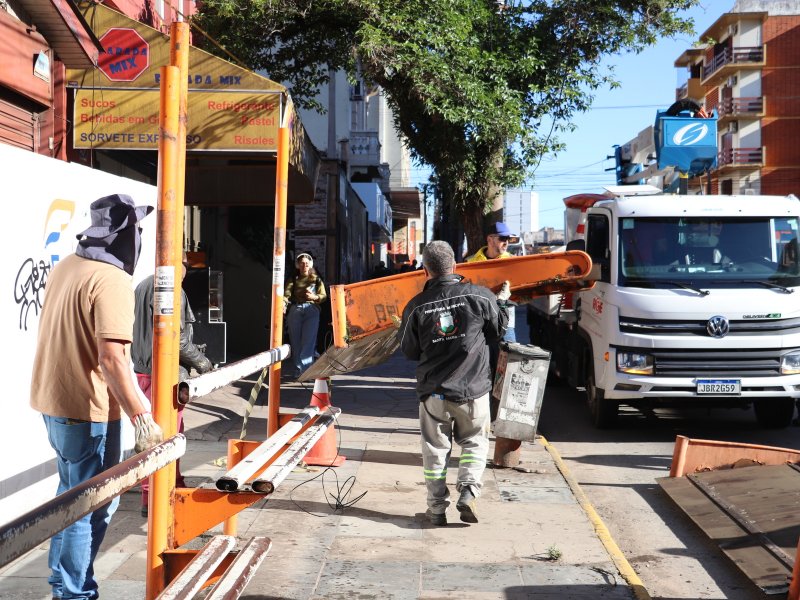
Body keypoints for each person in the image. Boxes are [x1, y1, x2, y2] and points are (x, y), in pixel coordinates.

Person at [30, 193, 163, 600]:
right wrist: (142, 416)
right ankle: (74, 592)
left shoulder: (68, 266)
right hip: (87, 411)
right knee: (89, 508)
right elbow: (113, 358)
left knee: (69, 500)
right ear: (126, 237)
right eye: (136, 230)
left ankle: (62, 585)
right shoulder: (112, 281)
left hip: (52, 404)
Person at [396, 240, 509, 526]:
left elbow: (408, 351)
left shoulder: (415, 307)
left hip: (433, 392)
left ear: (425, 271)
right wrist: (504, 301)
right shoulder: (480, 296)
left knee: (434, 451)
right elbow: (498, 330)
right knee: (475, 442)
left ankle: (436, 510)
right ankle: (469, 491)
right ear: (455, 266)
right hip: (473, 391)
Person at [131, 251, 213, 516]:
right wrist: (202, 362)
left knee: (167, 433)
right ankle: (154, 496)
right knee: (165, 438)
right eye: (184, 267)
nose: (186, 272)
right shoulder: (170, 289)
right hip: (165, 373)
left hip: (145, 369)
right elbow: (176, 339)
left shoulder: (143, 284)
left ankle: (171, 486)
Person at [466, 221, 518, 343]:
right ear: (490, 239)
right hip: (480, 323)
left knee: (508, 360)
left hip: (506, 321)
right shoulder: (471, 263)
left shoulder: (513, 262)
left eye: (508, 239)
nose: (506, 242)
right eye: (502, 238)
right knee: (482, 361)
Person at [284, 252, 327, 378]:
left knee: (308, 341)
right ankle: (299, 369)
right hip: (296, 309)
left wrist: (314, 297)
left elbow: (323, 296)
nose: (304, 266)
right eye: (302, 263)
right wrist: (283, 303)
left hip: (311, 309)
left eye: (306, 263)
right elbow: (286, 293)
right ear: (298, 265)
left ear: (310, 264)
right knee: (295, 340)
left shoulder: (316, 279)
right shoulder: (293, 278)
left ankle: (306, 371)